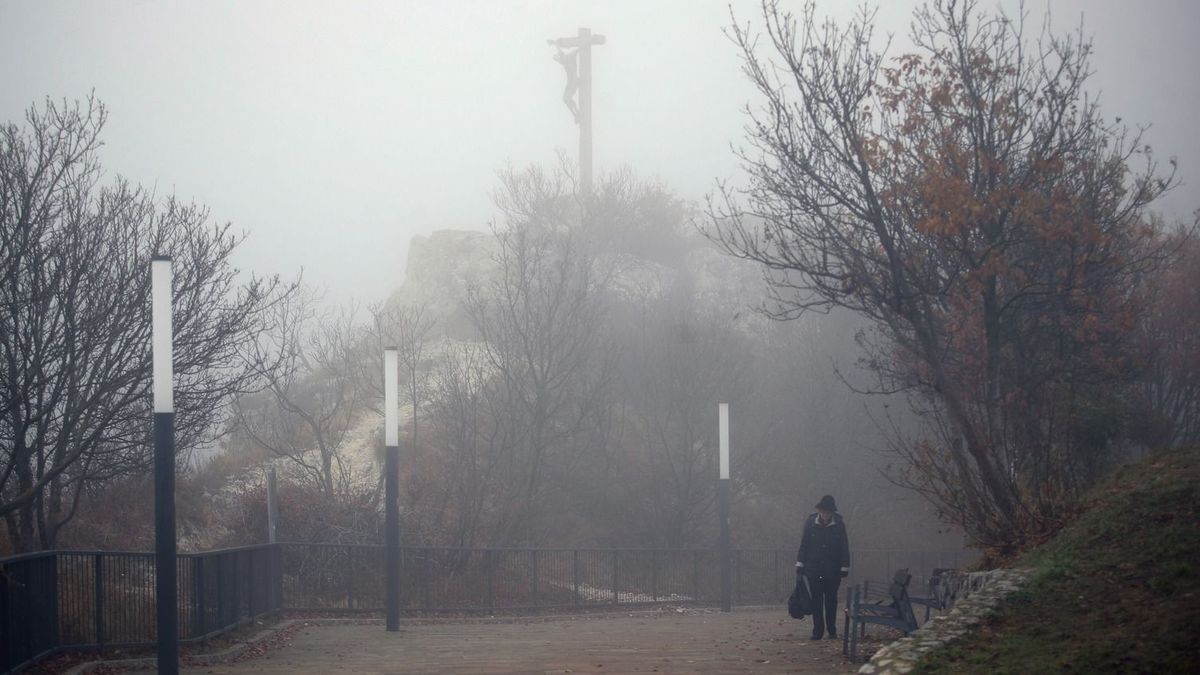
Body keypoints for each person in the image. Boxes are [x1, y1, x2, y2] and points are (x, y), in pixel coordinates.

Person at [796, 494, 850, 640]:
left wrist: (845, 566)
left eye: (828, 512)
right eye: (823, 511)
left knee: (831, 600)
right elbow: (804, 544)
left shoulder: (839, 524)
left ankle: (832, 630)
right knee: (817, 601)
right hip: (814, 569)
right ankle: (817, 631)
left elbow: (844, 546)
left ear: (832, 512)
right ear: (820, 510)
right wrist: (800, 563)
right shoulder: (810, 522)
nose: (825, 514)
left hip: (833, 570)